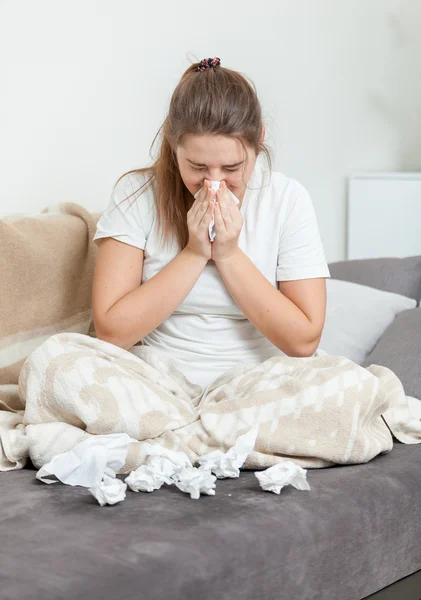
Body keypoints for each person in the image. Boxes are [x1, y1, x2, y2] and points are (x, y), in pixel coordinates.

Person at [91, 56, 331, 394]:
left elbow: (304, 341)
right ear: (173, 144)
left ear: (259, 140)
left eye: (232, 168)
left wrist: (229, 256)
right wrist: (193, 253)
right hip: (156, 383)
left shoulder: (287, 199)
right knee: (56, 362)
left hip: (260, 385)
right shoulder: (137, 194)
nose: (213, 183)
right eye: (197, 166)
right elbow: (111, 333)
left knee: (347, 388)